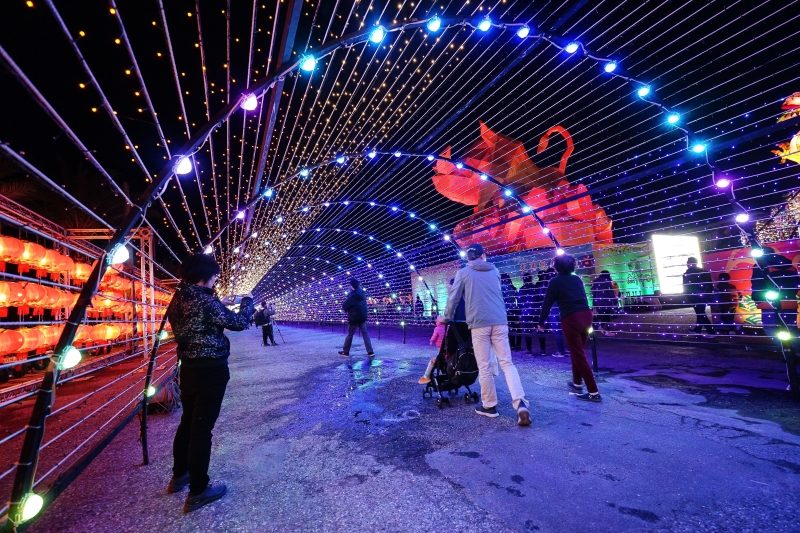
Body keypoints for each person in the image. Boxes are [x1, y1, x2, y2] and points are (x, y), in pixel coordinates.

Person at [166, 253, 254, 512]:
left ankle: (179, 475)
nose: (216, 279)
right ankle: (198, 490)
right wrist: (248, 301)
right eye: (215, 275)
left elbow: (202, 315)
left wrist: (219, 302)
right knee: (201, 431)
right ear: (205, 276)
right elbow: (238, 322)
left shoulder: (180, 297)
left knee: (187, 423)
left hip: (189, 369)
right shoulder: (205, 301)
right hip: (210, 369)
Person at [444, 243, 531, 426]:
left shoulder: (463, 273)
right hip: (499, 320)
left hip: (479, 323)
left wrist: (446, 317)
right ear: (484, 255)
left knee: (484, 366)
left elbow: (454, 297)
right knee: (507, 362)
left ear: (468, 258)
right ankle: (520, 403)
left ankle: (489, 406)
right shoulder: (495, 271)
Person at [538, 253, 600, 402]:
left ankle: (593, 392)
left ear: (556, 266)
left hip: (571, 318)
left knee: (578, 355)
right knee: (577, 351)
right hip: (586, 315)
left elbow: (547, 303)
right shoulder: (577, 279)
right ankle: (577, 384)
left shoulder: (555, 282)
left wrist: (541, 322)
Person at [338, 278, 375, 357]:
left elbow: (344, 306)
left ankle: (346, 351)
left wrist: (348, 309)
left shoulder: (352, 296)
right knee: (365, 334)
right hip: (362, 318)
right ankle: (370, 351)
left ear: (351, 286)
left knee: (350, 334)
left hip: (354, 318)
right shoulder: (362, 293)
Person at [683, 257, 715, 334]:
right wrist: (708, 295)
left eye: (688, 262)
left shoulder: (687, 274)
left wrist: (688, 295)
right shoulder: (703, 272)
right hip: (702, 296)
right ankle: (698, 329)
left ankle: (711, 331)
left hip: (694, 296)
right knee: (700, 313)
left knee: (701, 313)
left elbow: (686, 286)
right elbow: (709, 284)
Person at [419, 316, 446, 384]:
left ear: (439, 322)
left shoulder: (437, 328)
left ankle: (426, 376)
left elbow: (434, 336)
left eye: (437, 321)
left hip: (440, 346)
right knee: (444, 355)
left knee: (434, 360)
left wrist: (431, 340)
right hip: (447, 347)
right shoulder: (448, 327)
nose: (436, 322)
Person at [591, 270, 617, 336]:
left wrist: (594, 303)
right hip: (606, 301)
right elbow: (611, 292)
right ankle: (607, 331)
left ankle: (601, 327)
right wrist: (615, 301)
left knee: (605, 315)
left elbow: (594, 293)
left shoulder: (595, 282)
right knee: (607, 316)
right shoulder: (607, 282)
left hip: (598, 301)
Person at [517, 272, 538, 354]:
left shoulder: (522, 289)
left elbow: (519, 302)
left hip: (525, 313)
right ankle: (543, 349)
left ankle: (529, 350)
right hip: (536, 311)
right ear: (531, 279)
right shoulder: (535, 288)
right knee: (539, 330)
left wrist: (520, 312)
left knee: (528, 331)